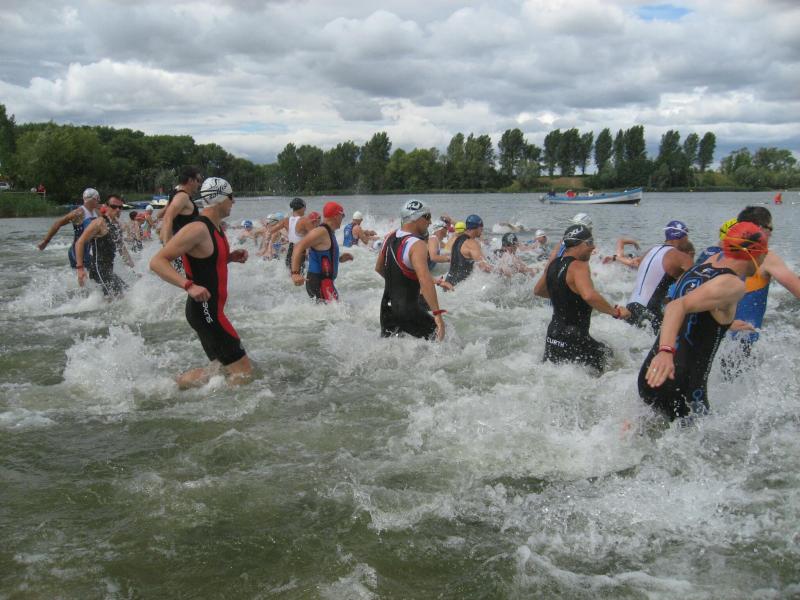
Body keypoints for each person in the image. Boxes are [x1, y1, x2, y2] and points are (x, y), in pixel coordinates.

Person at [639, 221, 769, 421]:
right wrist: (666, 351)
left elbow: (684, 307)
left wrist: (725, 323)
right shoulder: (733, 284)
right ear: (752, 253)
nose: (764, 258)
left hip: (650, 374)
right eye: (764, 252)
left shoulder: (703, 265)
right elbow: (676, 307)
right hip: (682, 385)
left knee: (650, 427)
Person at [149, 177, 251, 388]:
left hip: (209, 311)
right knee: (243, 373)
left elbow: (204, 262)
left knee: (219, 370)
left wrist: (228, 258)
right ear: (220, 198)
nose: (233, 201)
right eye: (231, 197)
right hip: (207, 313)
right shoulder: (197, 228)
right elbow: (157, 262)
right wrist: (188, 285)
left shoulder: (215, 227)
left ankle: (169, 387)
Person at [534, 224, 631, 373]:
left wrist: (564, 295)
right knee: (608, 357)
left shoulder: (553, 264)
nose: (593, 247)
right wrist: (616, 312)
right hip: (574, 336)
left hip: (552, 335)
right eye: (590, 242)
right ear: (577, 244)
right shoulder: (579, 266)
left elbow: (538, 290)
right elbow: (589, 295)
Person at [726, 206, 800, 345]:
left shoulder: (719, 255)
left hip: (716, 341)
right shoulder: (766, 257)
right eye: (770, 229)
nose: (771, 234)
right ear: (760, 229)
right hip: (745, 343)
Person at [376, 199, 446, 340]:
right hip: (408, 312)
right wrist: (437, 315)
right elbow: (425, 280)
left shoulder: (389, 237)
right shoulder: (417, 244)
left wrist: (399, 284)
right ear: (415, 218)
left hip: (386, 310)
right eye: (427, 216)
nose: (430, 222)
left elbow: (379, 268)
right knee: (444, 342)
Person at [625, 220, 694, 331]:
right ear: (681, 237)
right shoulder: (681, 257)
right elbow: (699, 283)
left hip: (630, 307)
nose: (688, 240)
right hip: (650, 312)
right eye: (687, 236)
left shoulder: (650, 251)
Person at [290, 201, 353, 301]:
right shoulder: (321, 231)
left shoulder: (329, 232)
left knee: (332, 309)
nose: (343, 218)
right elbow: (298, 247)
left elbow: (322, 254)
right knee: (336, 309)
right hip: (319, 282)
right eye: (343, 215)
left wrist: (339, 258)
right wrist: (295, 273)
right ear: (336, 216)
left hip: (323, 282)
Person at [75, 195, 134, 297]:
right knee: (115, 298)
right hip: (98, 270)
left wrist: (134, 269)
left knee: (127, 292)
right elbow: (79, 242)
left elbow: (122, 248)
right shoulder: (99, 222)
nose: (118, 210)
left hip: (109, 270)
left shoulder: (117, 225)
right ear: (106, 206)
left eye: (120, 207)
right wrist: (80, 269)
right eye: (114, 206)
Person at [37, 187, 100, 268]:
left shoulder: (97, 213)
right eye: (97, 198)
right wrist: (45, 241)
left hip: (88, 251)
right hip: (76, 252)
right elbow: (57, 223)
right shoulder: (78, 213)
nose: (99, 201)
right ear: (91, 199)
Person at [445, 214, 491, 286]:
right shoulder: (472, 243)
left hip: (448, 283)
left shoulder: (456, 240)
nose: (482, 231)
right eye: (481, 228)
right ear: (478, 227)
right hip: (459, 287)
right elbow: (484, 267)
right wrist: (501, 271)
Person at [160, 166, 202, 244]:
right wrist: (167, 246)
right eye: (198, 180)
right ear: (190, 180)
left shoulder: (179, 195)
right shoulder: (182, 196)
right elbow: (167, 217)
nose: (199, 184)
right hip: (181, 246)